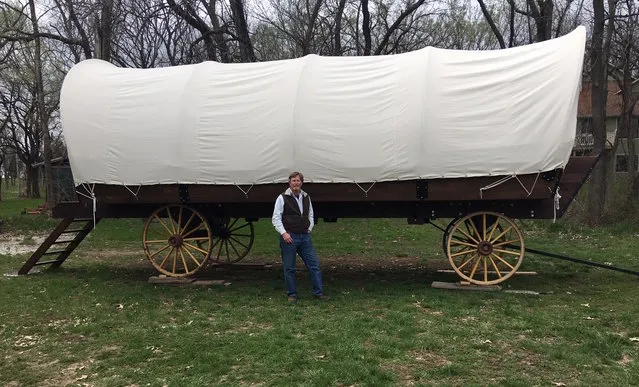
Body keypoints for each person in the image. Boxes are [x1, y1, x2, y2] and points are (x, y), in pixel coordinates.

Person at [272, 171, 329, 303]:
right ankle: (292, 294)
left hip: (304, 237)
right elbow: (276, 218)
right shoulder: (282, 198)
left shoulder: (306, 197)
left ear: (301, 183)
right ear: (289, 183)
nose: (296, 183)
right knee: (289, 268)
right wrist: (284, 233)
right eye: (293, 181)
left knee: (314, 265)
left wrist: (309, 228)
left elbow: (310, 214)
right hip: (289, 236)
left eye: (298, 181)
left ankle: (318, 293)